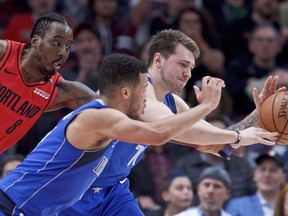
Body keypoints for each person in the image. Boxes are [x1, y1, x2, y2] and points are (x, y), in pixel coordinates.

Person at [61, 29, 280, 216]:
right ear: (158, 60)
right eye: (183, 64)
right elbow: (185, 133)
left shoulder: (172, 102)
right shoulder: (137, 90)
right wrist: (210, 110)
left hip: (113, 189)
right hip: (77, 185)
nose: (187, 74)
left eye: (191, 68)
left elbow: (214, 141)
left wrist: (257, 116)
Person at [0, 53, 227, 215]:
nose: (146, 99)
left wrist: (251, 126)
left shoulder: (113, 118)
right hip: (14, 204)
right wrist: (206, 106)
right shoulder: (100, 117)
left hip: (88, 196)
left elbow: (198, 139)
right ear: (126, 92)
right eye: (142, 91)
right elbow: (159, 133)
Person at [0, 13, 97, 153]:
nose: (62, 52)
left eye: (68, 47)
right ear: (35, 42)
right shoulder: (4, 53)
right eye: (56, 43)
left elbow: (110, 114)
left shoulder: (59, 90)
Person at [225, 150, 286, 216]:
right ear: (254, 175)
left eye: (273, 170)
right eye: (262, 169)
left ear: (284, 177)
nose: (267, 175)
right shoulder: (237, 206)